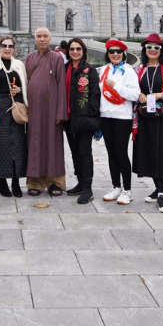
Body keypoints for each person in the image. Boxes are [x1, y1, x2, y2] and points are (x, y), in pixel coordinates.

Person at [133, 35, 163, 213]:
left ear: (161, 50)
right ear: (145, 50)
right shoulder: (139, 69)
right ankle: (157, 188)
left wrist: (161, 95)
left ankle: (162, 194)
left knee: (162, 153)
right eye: (149, 47)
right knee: (149, 152)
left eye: (156, 48)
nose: (152, 50)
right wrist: (138, 94)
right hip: (144, 116)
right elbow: (133, 89)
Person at [25, 28, 69, 196]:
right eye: (39, 36)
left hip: (52, 110)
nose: (42, 39)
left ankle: (54, 182)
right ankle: (34, 182)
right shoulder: (30, 58)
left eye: (45, 36)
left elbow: (61, 87)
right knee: (34, 144)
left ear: (50, 39)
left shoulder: (57, 58)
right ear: (35, 39)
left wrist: (60, 113)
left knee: (53, 145)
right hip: (34, 110)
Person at [98, 38, 140, 203]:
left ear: (123, 54)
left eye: (118, 51)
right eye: (111, 51)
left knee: (121, 153)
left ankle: (127, 190)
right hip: (106, 116)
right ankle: (116, 186)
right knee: (111, 153)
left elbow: (135, 95)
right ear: (108, 54)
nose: (115, 54)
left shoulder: (129, 71)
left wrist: (116, 86)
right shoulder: (104, 70)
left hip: (122, 117)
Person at [0, 35, 29, 197]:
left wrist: (19, 90)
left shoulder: (19, 65)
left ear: (14, 48)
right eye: (4, 45)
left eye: (10, 46)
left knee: (17, 146)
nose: (7, 48)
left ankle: (16, 182)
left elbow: (25, 84)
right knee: (0, 146)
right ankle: (2, 181)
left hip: (16, 107)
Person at [64, 37, 102, 204]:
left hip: (84, 119)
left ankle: (88, 187)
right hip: (69, 118)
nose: (75, 52)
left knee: (85, 152)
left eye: (78, 49)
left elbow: (95, 94)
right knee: (75, 152)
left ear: (83, 51)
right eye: (72, 49)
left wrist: (90, 113)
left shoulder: (89, 70)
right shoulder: (64, 68)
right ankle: (80, 182)